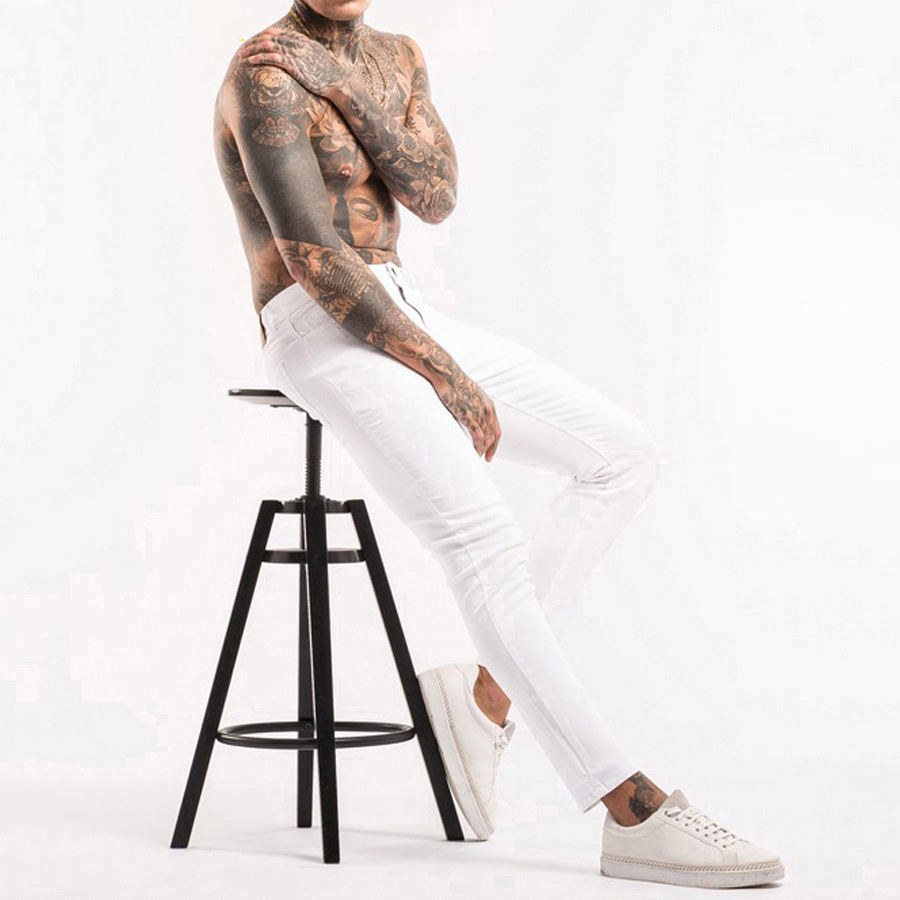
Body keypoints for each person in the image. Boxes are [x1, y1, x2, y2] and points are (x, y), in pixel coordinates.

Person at [212, 1, 783, 888]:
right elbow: (315, 258)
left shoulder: (396, 56)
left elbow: (435, 197)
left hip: (401, 305)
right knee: (484, 542)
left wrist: (349, 90)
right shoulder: (264, 71)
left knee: (620, 454)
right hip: (316, 324)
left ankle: (482, 701)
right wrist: (442, 372)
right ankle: (628, 807)